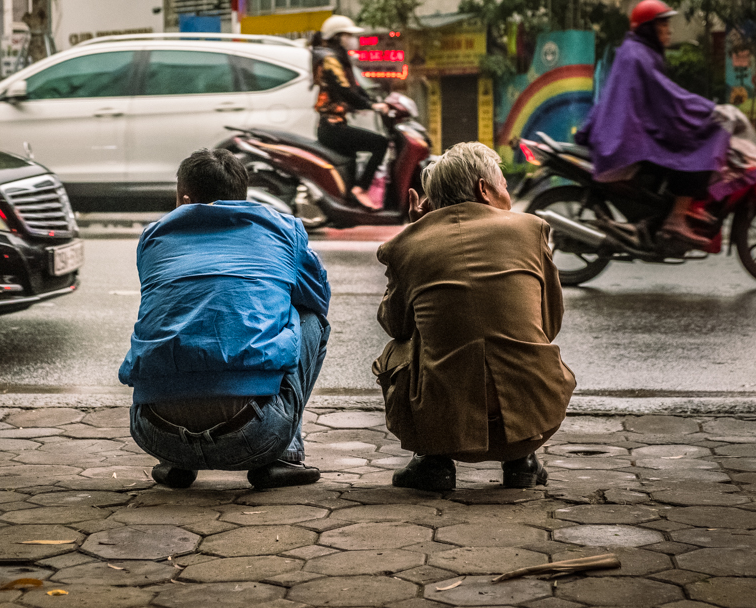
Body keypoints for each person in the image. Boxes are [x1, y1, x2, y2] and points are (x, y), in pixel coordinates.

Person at [118, 148, 331, 490]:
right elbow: (317, 299)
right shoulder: (283, 230)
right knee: (307, 317)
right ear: (240, 197)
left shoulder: (154, 237)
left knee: (179, 314)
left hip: (153, 432)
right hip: (255, 433)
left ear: (184, 199)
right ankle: (283, 457)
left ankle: (177, 460)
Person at [372, 142, 576, 492]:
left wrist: (416, 233)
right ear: (485, 189)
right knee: (516, 335)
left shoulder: (408, 244)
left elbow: (396, 325)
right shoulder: (531, 230)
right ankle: (521, 461)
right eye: (505, 187)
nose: (507, 195)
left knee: (399, 347)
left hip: (445, 428)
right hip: (536, 418)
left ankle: (432, 461)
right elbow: (549, 323)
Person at [575, 0, 731, 250]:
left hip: (623, 136)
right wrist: (708, 110)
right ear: (649, 28)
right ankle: (676, 219)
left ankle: (668, 214)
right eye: (662, 24)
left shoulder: (635, 51)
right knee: (695, 154)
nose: (668, 30)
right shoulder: (640, 56)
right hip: (626, 142)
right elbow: (668, 97)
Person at [312, 15, 390, 210]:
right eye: (349, 35)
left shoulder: (339, 58)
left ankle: (349, 198)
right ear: (338, 37)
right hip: (332, 128)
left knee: (353, 158)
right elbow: (344, 90)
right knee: (380, 143)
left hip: (335, 125)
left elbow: (355, 89)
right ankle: (360, 189)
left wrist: (375, 101)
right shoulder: (330, 59)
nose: (353, 40)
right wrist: (370, 106)